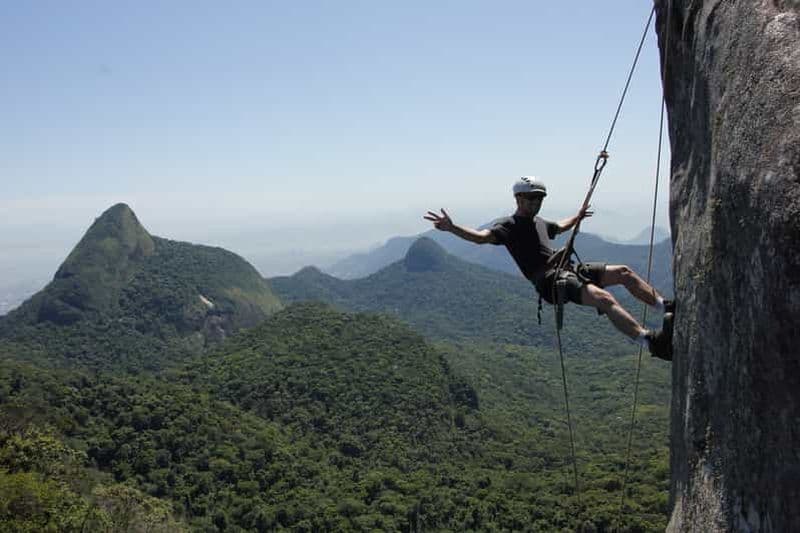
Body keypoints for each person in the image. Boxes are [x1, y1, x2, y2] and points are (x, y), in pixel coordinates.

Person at [423, 176, 674, 360]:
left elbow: (560, 227)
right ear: (518, 199)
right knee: (604, 299)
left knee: (623, 272)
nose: (536, 202)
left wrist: (577, 216)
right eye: (531, 198)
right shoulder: (508, 226)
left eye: (540, 198)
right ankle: (650, 342)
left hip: (566, 269)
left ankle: (665, 308)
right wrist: (452, 228)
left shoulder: (540, 222)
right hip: (550, 282)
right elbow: (480, 237)